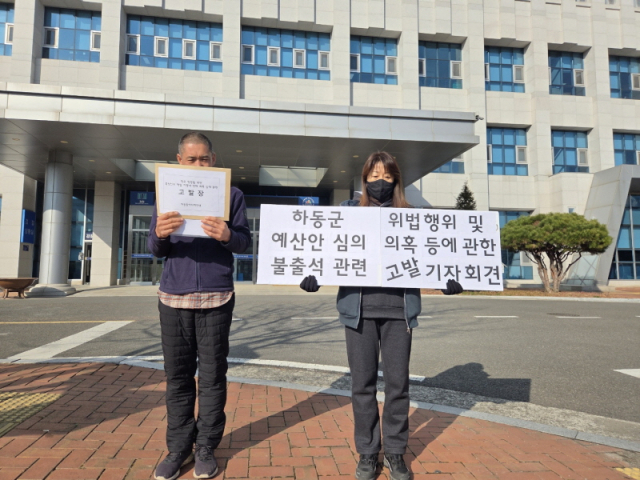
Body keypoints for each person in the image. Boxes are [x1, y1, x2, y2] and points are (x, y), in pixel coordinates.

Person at [300, 151, 463, 480]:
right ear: (365, 179)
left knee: (398, 387)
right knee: (362, 386)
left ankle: (395, 452)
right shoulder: (347, 213)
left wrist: (446, 279)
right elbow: (327, 250)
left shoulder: (411, 216)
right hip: (358, 312)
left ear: (396, 181)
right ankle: (367, 451)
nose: (380, 182)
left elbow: (430, 256)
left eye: (387, 177)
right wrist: (313, 274)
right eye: (374, 176)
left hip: (399, 313)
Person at [148, 132, 251, 480]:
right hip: (172, 296)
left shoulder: (232, 195)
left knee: (212, 376)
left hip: (216, 295)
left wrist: (227, 236)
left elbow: (244, 241)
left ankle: (206, 445)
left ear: (214, 159)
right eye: (191, 159)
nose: (198, 164)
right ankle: (178, 448)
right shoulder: (166, 194)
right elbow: (155, 249)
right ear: (179, 160)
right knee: (177, 376)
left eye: (204, 158)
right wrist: (160, 233)